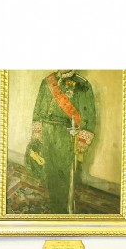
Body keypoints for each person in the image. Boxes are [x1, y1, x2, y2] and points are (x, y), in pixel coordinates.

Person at [25, 70, 96, 214]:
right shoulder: (47, 82)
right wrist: (37, 133)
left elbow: (89, 114)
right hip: (47, 132)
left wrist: (82, 139)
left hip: (66, 134)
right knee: (50, 170)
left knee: (64, 173)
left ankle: (62, 209)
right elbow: (38, 109)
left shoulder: (82, 85)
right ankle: (54, 203)